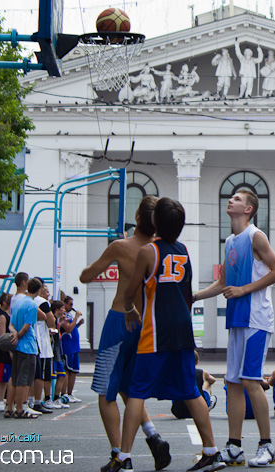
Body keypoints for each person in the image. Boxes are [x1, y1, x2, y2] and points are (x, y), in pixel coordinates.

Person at [106, 198, 224, 472]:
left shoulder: (149, 251)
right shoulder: (183, 251)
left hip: (156, 330)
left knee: (136, 392)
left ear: (155, 222)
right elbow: (186, 293)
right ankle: (211, 452)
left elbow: (129, 290)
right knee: (190, 391)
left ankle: (123, 458)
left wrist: (128, 310)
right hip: (182, 327)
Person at [194, 188, 275, 467]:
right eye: (231, 197)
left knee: (249, 380)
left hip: (256, 319)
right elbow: (223, 283)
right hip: (236, 319)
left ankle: (267, 446)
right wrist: (194, 296)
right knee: (232, 383)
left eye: (237, 199)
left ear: (248, 209)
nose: (231, 200)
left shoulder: (256, 235)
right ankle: (234, 447)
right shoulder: (231, 241)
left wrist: (244, 289)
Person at [80, 196, 170, 472]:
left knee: (106, 392)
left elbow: (86, 276)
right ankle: (152, 435)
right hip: (146, 326)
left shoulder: (121, 246)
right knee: (128, 387)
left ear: (138, 218)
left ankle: (120, 455)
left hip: (120, 321)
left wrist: (114, 250)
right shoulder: (159, 250)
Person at [9, 277, 42, 418]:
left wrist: (14, 335)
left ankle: (10, 408)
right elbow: (27, 326)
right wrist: (19, 335)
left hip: (16, 347)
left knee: (15, 378)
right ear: (39, 290)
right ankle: (20, 409)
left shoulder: (17, 302)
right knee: (24, 378)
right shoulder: (33, 305)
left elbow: (11, 324)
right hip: (27, 346)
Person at [31, 281, 55, 414]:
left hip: (30, 339)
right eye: (46, 290)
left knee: (30, 374)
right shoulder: (41, 302)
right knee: (42, 375)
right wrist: (52, 328)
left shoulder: (21, 300)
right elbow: (50, 319)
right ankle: (42, 400)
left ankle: (29, 401)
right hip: (41, 341)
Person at [171, 351, 217, 419]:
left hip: (178, 412)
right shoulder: (202, 372)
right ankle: (207, 405)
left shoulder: (177, 372)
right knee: (208, 383)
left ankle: (179, 404)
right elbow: (213, 380)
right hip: (198, 410)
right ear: (197, 362)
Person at [59, 295, 84, 404]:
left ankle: (70, 393)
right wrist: (76, 317)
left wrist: (78, 323)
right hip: (67, 347)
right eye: (70, 304)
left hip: (74, 346)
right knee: (67, 370)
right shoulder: (64, 316)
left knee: (74, 371)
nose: (71, 306)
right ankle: (64, 393)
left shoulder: (69, 314)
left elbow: (72, 327)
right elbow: (68, 329)